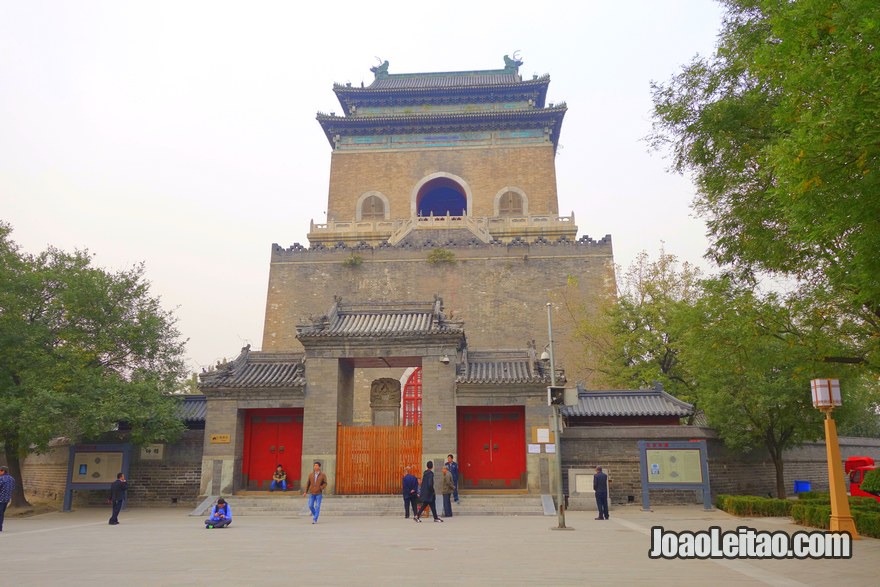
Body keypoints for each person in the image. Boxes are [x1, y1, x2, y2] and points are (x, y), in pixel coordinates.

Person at [0, 465, 15, 532]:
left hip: (0, 498)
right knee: (1, 512)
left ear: (3, 471)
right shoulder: (12, 479)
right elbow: (13, 487)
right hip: (6, 499)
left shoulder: (1, 479)